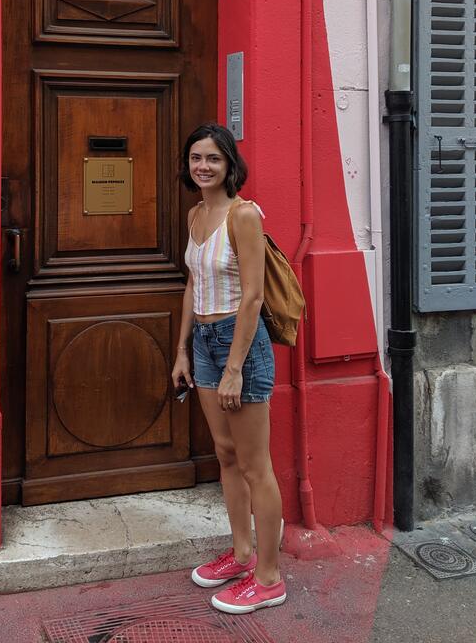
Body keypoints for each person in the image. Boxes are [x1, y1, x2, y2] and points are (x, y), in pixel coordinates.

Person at [171, 122, 286, 614]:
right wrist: (181, 350)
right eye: (196, 158)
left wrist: (236, 367)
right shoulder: (197, 215)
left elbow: (255, 297)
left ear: (229, 165)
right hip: (204, 341)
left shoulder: (244, 215)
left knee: (256, 465)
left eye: (213, 159)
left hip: (241, 346)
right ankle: (241, 553)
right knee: (225, 454)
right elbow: (192, 285)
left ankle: (269, 577)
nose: (204, 166)